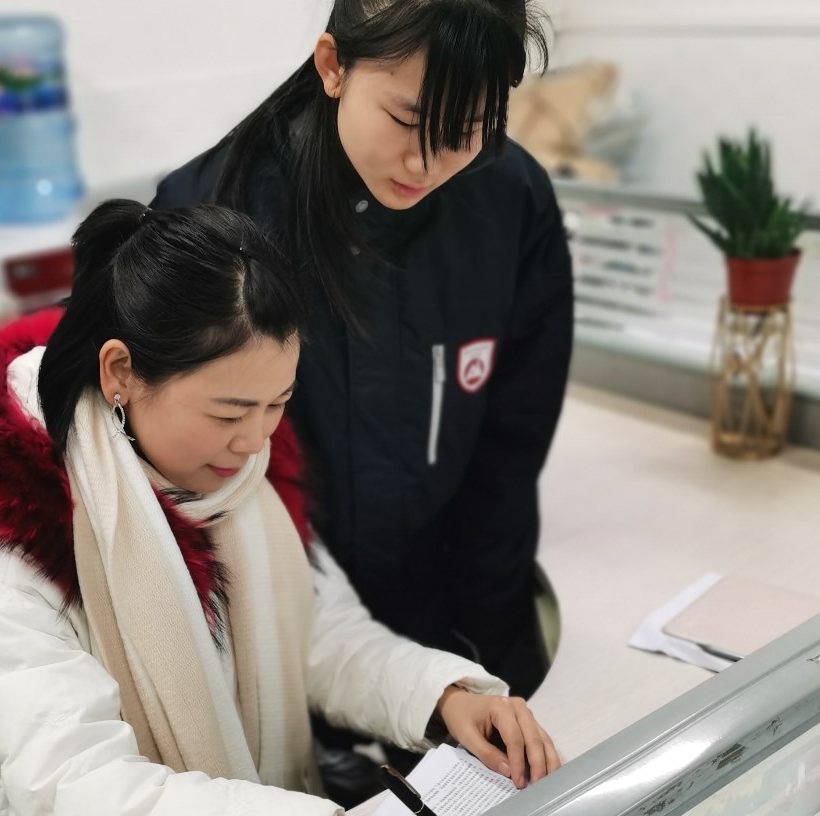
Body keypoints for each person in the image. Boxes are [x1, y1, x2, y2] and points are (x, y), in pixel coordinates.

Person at [0, 199, 559, 816]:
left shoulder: (246, 485)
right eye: (229, 413)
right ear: (120, 373)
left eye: (278, 404)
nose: (255, 441)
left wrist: (442, 696)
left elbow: (322, 639)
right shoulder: (7, 559)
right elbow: (75, 782)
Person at [154, 0, 573, 707]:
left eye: (464, 131)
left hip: (443, 616)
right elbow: (191, 487)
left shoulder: (510, 200)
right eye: (407, 120)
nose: (425, 162)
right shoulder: (214, 214)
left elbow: (510, 450)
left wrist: (490, 654)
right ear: (333, 66)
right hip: (283, 637)